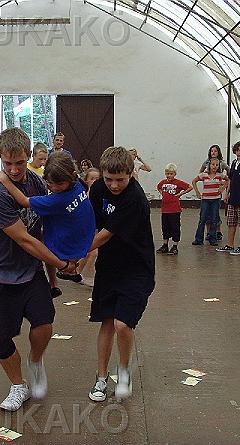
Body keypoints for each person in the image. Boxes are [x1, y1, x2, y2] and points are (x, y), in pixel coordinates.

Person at [0, 127, 77, 412]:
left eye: (20, 162)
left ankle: (35, 361)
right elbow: (25, 239)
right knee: (1, 337)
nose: (13, 169)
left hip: (29, 269)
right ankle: (17, 385)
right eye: (7, 163)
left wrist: (57, 269)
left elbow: (46, 224)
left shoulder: (36, 182)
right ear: (0, 157)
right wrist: (62, 265)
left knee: (44, 322)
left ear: (29, 155)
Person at [87, 146, 155, 401]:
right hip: (109, 267)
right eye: (109, 179)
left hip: (137, 269)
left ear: (130, 174)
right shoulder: (98, 189)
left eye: (120, 180)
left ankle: (124, 371)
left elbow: (104, 235)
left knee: (122, 324)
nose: (114, 185)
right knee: (107, 322)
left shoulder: (135, 199)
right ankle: (101, 377)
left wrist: (71, 256)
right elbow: (91, 224)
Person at [0, 151, 96, 292]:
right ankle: (55, 282)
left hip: (69, 244)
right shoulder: (78, 184)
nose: (54, 188)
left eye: (59, 184)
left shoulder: (58, 199)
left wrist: (5, 181)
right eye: (50, 183)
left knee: (41, 240)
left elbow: (24, 201)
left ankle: (66, 270)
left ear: (71, 176)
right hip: (85, 236)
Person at [191, 158, 228, 246]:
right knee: (202, 219)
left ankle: (213, 239)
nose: (214, 166)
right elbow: (194, 181)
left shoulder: (220, 175)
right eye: (213, 164)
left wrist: (223, 188)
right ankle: (198, 239)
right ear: (209, 165)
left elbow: (228, 180)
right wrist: (197, 192)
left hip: (216, 200)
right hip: (205, 200)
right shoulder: (204, 175)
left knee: (214, 219)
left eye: (216, 165)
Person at [156, 163, 192, 255]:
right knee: (165, 227)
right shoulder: (163, 182)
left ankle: (175, 246)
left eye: (171, 174)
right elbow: (158, 187)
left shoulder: (178, 182)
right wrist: (162, 193)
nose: (169, 175)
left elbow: (190, 187)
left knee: (175, 227)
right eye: (167, 173)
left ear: (174, 174)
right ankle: (165, 245)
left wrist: (180, 194)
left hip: (174, 210)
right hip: (165, 209)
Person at [199, 145, 229, 241]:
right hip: (208, 191)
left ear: (218, 152)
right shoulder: (206, 162)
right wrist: (206, 179)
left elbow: (229, 172)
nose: (213, 153)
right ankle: (208, 232)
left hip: (216, 191)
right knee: (207, 214)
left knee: (215, 214)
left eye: (215, 151)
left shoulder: (222, 163)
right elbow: (200, 171)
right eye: (212, 151)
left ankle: (218, 231)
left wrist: (222, 184)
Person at [77, 167, 101, 287]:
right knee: (93, 252)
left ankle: (77, 272)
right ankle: (88, 276)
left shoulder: (101, 193)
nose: (94, 181)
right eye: (92, 178)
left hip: (96, 226)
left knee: (89, 252)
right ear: (86, 180)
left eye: (97, 178)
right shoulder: (84, 194)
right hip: (86, 226)